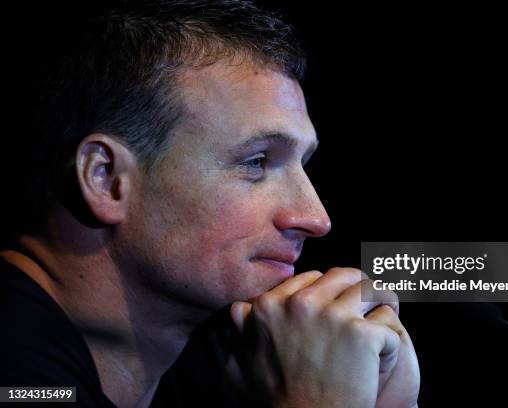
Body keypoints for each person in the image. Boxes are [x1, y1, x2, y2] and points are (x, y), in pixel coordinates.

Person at [0, 1, 419, 406]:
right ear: (106, 179)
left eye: (303, 164)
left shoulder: (234, 362)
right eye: (256, 162)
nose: (315, 218)